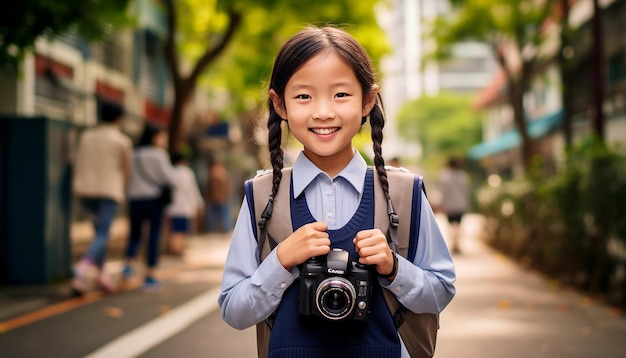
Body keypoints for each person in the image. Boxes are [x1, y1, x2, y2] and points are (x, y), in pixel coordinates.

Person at [218, 26, 456, 357]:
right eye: (304, 96)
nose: (323, 111)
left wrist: (394, 268)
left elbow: (441, 291)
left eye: (341, 94)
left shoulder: (405, 193)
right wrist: (281, 261)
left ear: (367, 100)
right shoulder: (261, 197)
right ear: (280, 104)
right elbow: (234, 309)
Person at [71, 99, 132, 294]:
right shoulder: (122, 140)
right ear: (119, 118)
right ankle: (82, 269)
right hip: (108, 192)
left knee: (98, 233)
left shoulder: (87, 136)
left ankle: (101, 275)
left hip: (86, 192)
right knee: (103, 234)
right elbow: (126, 171)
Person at [122, 122, 176, 291]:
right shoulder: (158, 155)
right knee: (153, 235)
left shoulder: (134, 154)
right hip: (153, 200)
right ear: (155, 137)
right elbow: (170, 178)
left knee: (134, 234)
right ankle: (150, 275)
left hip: (135, 199)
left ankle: (128, 266)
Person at [165, 152, 204, 256]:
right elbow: (192, 190)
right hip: (184, 207)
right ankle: (179, 249)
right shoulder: (187, 173)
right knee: (182, 230)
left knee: (173, 229)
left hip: (171, 207)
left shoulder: (170, 172)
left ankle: (173, 248)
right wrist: (198, 203)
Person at [438, 157, 470, 254]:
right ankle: (457, 244)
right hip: (460, 204)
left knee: (452, 226)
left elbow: (443, 192)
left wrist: (441, 204)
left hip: (449, 205)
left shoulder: (445, 177)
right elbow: (466, 191)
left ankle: (454, 244)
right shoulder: (462, 176)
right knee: (458, 226)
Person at [204, 157, 232, 233]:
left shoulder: (213, 173)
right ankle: (215, 229)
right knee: (218, 215)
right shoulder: (221, 173)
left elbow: (227, 186)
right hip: (217, 198)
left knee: (219, 215)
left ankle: (219, 229)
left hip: (219, 198)